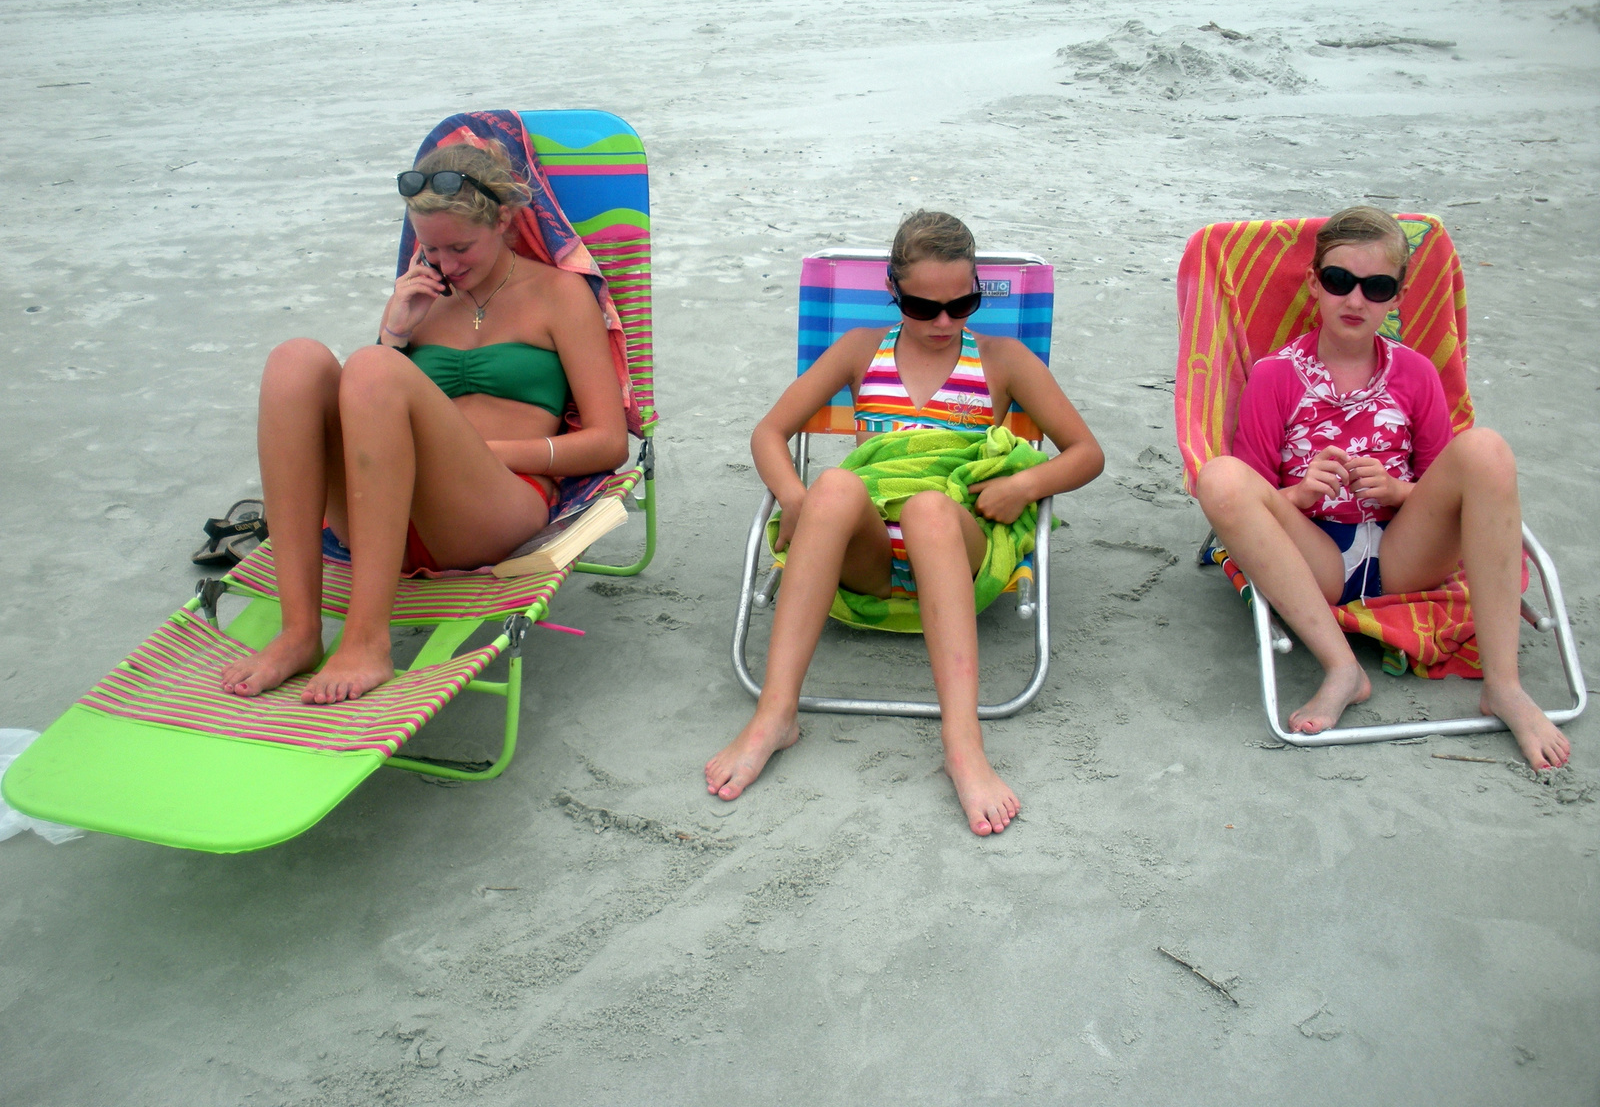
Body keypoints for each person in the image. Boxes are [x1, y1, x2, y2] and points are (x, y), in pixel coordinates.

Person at [705, 211, 1104, 835]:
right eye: (924, 307)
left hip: (955, 545)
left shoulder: (1002, 359)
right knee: (832, 484)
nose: (944, 322)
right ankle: (774, 715)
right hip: (867, 561)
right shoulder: (861, 349)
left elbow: (1086, 453)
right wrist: (793, 497)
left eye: (963, 303)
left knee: (927, 507)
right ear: (893, 291)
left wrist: (1025, 483)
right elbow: (770, 432)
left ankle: (963, 745)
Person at [219, 140, 627, 704]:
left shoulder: (560, 295)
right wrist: (395, 331)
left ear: (505, 220)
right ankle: (299, 633)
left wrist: (489, 453)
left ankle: (366, 641)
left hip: (493, 506)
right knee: (295, 361)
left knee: (372, 369)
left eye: (461, 248)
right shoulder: (424, 298)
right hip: (386, 517)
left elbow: (608, 444)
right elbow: (367, 416)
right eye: (430, 250)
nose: (447, 266)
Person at [1196, 206, 1569, 769]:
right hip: (1316, 556)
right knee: (1219, 476)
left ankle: (1506, 686)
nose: (1355, 300)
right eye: (1340, 281)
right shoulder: (1277, 374)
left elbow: (1445, 483)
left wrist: (1399, 491)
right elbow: (1251, 490)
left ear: (1398, 297)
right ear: (1315, 283)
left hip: (1404, 551)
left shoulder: (1415, 372)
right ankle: (1342, 667)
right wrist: (1301, 492)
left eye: (1376, 287)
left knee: (1485, 449)